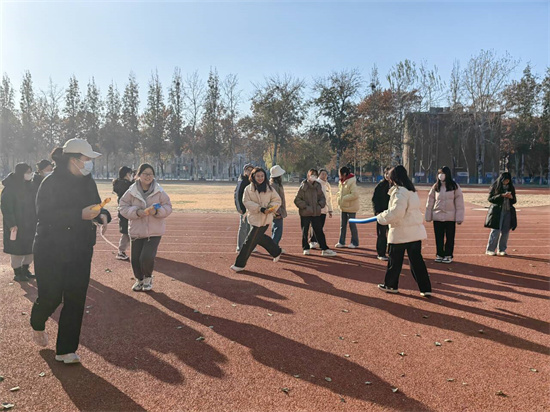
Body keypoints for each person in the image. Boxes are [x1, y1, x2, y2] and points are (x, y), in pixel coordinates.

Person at [31, 139, 110, 364]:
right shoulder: (50, 182)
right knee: (51, 296)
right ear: (73, 160)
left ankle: (66, 350)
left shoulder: (88, 181)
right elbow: (44, 214)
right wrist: (78, 214)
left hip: (80, 248)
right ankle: (37, 321)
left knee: (76, 298)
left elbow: (96, 205)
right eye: (86, 159)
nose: (89, 163)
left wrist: (103, 215)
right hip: (50, 248)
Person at [376, 165, 432, 297]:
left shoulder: (399, 191)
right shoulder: (411, 190)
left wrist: (381, 217)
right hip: (414, 232)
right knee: (417, 262)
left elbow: (397, 212)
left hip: (401, 232)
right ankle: (425, 288)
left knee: (395, 261)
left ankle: (390, 285)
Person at [119, 164, 172, 291]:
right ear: (139, 175)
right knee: (135, 260)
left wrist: (157, 211)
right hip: (136, 230)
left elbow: (168, 207)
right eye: (145, 173)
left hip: (154, 231)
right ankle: (139, 280)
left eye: (151, 174)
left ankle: (148, 278)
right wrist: (136, 212)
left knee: (146, 257)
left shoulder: (159, 191)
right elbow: (122, 207)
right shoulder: (131, 191)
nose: (148, 176)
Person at [231, 167, 282, 272]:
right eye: (258, 176)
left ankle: (239, 264)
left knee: (249, 241)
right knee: (259, 238)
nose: (260, 178)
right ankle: (276, 251)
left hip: (265, 219)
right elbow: (246, 202)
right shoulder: (248, 189)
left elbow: (277, 200)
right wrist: (260, 209)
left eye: (262, 176)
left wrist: (270, 208)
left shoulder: (269, 189)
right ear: (253, 177)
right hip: (254, 218)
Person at [1, 163, 37, 281]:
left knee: (30, 247)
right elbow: (7, 208)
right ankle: (17, 272)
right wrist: (12, 224)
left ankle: (26, 269)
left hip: (30, 223)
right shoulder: (10, 188)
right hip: (17, 224)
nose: (30, 174)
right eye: (27, 172)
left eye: (30, 171)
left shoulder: (30, 186)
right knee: (17, 249)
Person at [425, 166, 465, 263]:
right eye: (439, 173)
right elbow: (430, 202)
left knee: (450, 238)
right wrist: (428, 216)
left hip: (450, 217)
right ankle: (439, 254)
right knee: (438, 237)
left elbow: (459, 204)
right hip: (437, 216)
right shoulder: (435, 187)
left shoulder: (454, 186)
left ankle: (448, 255)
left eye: (443, 173)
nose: (441, 175)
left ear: (447, 175)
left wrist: (459, 218)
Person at [294, 169, 337, 257]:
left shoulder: (318, 186)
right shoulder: (303, 186)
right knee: (305, 231)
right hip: (305, 213)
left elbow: (322, 198)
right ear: (308, 176)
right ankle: (306, 248)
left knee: (319, 230)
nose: (313, 176)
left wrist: (319, 205)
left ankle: (324, 249)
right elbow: (297, 200)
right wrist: (305, 207)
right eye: (311, 175)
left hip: (316, 212)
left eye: (315, 175)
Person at [484, 172, 517, 256]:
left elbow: (514, 201)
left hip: (508, 211)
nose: (506, 182)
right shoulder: (495, 186)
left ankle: (502, 249)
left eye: (508, 181)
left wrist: (511, 197)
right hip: (497, 211)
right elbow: (490, 199)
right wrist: (501, 196)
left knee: (505, 231)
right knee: (496, 230)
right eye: (505, 180)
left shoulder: (511, 187)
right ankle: (490, 249)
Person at [112, 166, 134, 261]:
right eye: (130, 174)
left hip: (124, 211)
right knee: (126, 232)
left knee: (129, 231)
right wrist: (134, 181)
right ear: (127, 174)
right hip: (125, 211)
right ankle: (121, 252)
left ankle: (124, 250)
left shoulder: (120, 183)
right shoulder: (125, 185)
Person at [336, 166, 360, 248]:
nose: (339, 175)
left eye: (340, 173)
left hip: (351, 207)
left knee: (352, 225)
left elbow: (355, 195)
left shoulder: (351, 182)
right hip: (343, 207)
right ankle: (341, 242)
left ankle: (355, 242)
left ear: (344, 174)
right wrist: (338, 198)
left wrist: (344, 198)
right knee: (342, 225)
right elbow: (340, 192)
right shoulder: (341, 182)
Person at [309, 168, 333, 249]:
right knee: (314, 226)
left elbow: (329, 198)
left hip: (324, 210)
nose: (324, 176)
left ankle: (318, 241)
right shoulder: (315, 183)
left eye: (325, 174)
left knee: (320, 226)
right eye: (322, 174)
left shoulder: (327, 185)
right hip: (316, 209)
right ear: (319, 175)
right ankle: (312, 241)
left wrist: (330, 209)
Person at [372, 167, 392, 261]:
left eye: (389, 174)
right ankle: (381, 253)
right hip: (382, 213)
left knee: (393, 233)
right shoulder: (380, 186)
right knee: (382, 234)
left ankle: (392, 252)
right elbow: (375, 199)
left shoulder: (397, 186)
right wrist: (377, 211)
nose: (387, 176)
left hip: (393, 213)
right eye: (386, 173)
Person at [234, 164, 254, 252]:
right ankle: (240, 247)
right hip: (244, 208)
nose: (250, 172)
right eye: (248, 170)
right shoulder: (242, 181)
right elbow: (237, 195)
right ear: (244, 171)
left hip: (251, 208)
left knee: (250, 227)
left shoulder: (252, 181)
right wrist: (240, 208)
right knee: (243, 227)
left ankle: (248, 246)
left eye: (251, 170)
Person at [269, 165, 287, 249]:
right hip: (277, 210)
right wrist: (278, 211)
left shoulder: (276, 184)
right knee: (278, 229)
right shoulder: (274, 185)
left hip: (277, 209)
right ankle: (273, 247)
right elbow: (274, 199)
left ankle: (274, 246)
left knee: (276, 228)